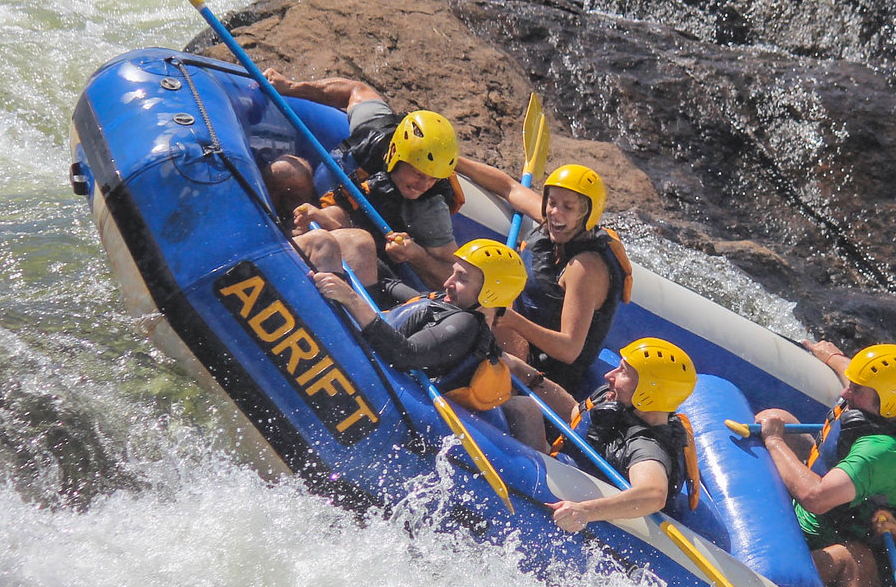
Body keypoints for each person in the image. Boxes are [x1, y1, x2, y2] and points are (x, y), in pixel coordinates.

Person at [754, 341, 896, 587]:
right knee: (780, 416)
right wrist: (833, 357)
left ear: (889, 401)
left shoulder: (884, 453)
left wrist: (774, 441)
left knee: (854, 559)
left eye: (857, 390)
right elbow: (856, 379)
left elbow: (815, 498)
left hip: (846, 536)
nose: (845, 393)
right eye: (852, 384)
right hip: (841, 507)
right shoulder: (886, 405)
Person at [454, 157, 631, 444]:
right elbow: (509, 187)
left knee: (489, 295)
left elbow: (569, 348)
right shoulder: (556, 222)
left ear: (587, 213)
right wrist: (454, 162)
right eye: (552, 202)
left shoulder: (585, 268)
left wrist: (512, 320)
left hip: (547, 373)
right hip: (521, 343)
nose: (554, 212)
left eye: (567, 207)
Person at [262, 73, 463, 290]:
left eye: (433, 179)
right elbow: (355, 90)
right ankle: (264, 234)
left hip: (360, 258)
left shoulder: (429, 208)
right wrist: (291, 86)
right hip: (312, 212)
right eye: (418, 174)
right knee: (285, 171)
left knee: (355, 239)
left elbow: (454, 278)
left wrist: (417, 255)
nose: (424, 185)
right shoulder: (376, 132)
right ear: (395, 153)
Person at [310, 239, 526, 410]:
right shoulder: (447, 303)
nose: (448, 282)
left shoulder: (466, 325)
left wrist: (351, 299)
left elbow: (407, 354)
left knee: (322, 244)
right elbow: (392, 286)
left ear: (490, 292)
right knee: (355, 243)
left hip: (376, 380)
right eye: (453, 272)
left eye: (462, 278)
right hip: (365, 351)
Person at [548, 338, 700, 534]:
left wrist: (584, 511)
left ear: (648, 391)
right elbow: (577, 415)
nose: (609, 375)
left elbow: (654, 494)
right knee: (526, 408)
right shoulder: (617, 401)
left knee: (522, 410)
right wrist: (532, 378)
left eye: (623, 372)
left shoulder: (645, 445)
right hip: (566, 460)